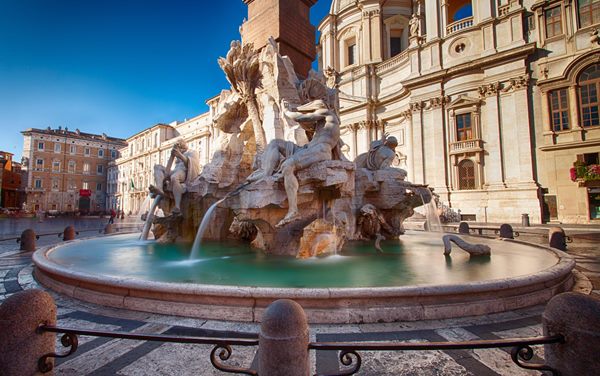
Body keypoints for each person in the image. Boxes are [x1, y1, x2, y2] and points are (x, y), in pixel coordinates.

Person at [247, 99, 341, 227]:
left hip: (320, 151)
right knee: (275, 143)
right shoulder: (321, 126)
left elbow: (301, 118)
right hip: (308, 149)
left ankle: (293, 210)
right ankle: (266, 173)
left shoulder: (328, 114)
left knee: (287, 165)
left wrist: (286, 111)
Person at [149, 139, 200, 214]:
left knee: (174, 177)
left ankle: (177, 206)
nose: (177, 147)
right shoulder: (176, 156)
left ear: (183, 145)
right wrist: (172, 156)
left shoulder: (192, 152)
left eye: (178, 145)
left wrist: (180, 155)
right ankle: (159, 188)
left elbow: (192, 165)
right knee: (157, 167)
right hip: (175, 171)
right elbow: (167, 170)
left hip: (184, 172)